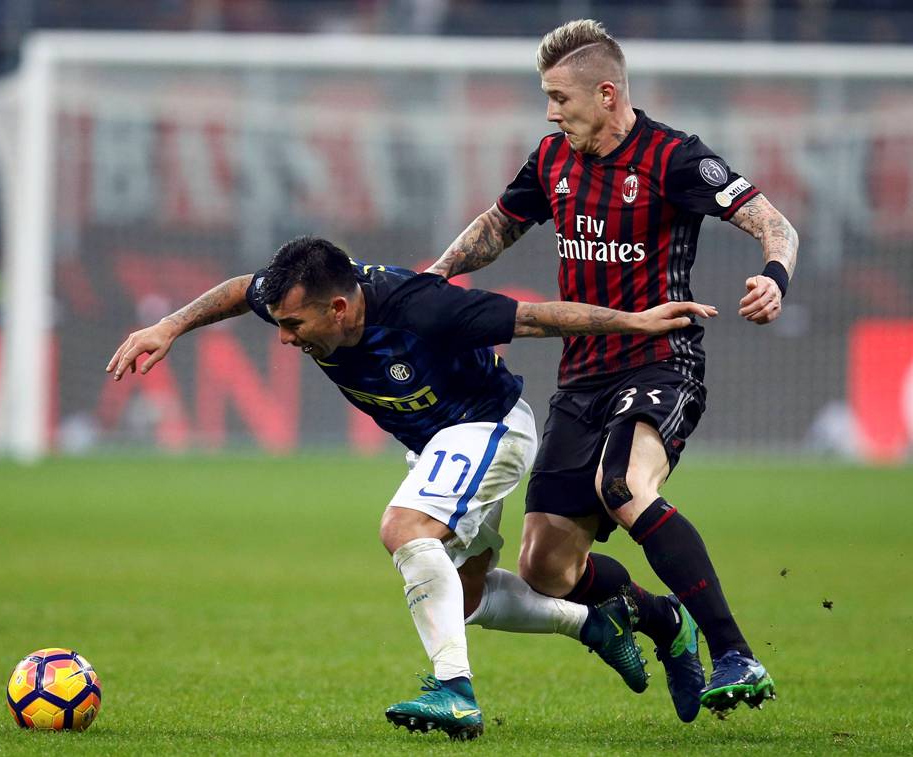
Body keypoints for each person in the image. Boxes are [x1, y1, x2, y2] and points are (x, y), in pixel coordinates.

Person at [107, 236, 716, 740]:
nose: (285, 338)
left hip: (490, 428)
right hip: (437, 446)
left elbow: (533, 318)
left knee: (403, 530)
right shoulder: (294, 293)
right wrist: (171, 325)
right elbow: (244, 288)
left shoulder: (422, 308)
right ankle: (624, 622)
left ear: (340, 309)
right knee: (467, 595)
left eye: (295, 325)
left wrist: (635, 322)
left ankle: (454, 691)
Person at [426, 19, 798, 720]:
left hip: (663, 358)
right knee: (544, 566)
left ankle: (736, 651)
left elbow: (774, 221)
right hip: (583, 376)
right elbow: (498, 225)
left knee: (623, 481)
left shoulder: (674, 159)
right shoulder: (551, 161)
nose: (550, 111)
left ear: (606, 92)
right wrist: (439, 271)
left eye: (560, 97)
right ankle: (664, 622)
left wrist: (775, 275)